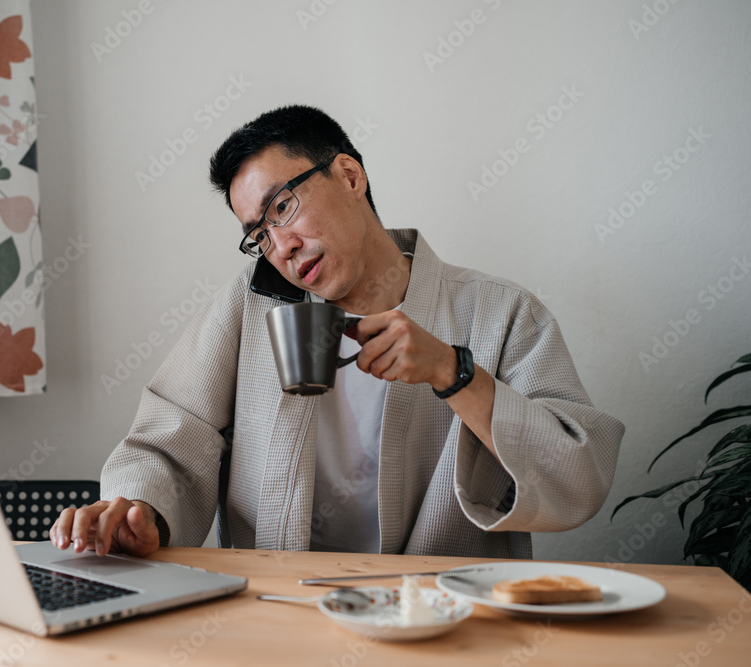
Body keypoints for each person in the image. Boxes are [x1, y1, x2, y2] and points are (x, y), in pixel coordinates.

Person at [49, 105, 624, 559]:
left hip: (446, 617)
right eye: (259, 235)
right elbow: (173, 437)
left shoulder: (500, 313)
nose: (281, 247)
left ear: (349, 175)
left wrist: (455, 372)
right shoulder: (251, 309)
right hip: (282, 614)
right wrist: (141, 512)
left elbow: (579, 478)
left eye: (283, 208)